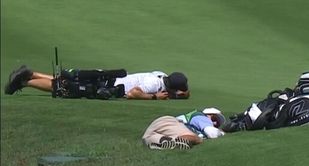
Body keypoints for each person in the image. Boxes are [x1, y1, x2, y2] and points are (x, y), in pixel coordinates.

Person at [4, 65, 189, 99]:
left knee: (69, 80)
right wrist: (154, 98)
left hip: (108, 77)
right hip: (108, 86)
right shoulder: (154, 85)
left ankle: (30, 73)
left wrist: (177, 94)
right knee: (65, 88)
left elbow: (181, 91)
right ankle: (25, 82)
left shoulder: (160, 75)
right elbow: (134, 94)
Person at [142, 107, 226, 150]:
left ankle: (163, 142)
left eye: (217, 124)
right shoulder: (201, 116)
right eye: (215, 119)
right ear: (209, 114)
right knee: (197, 139)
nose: (214, 123)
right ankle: (175, 142)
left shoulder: (197, 118)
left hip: (160, 127)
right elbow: (212, 133)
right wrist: (222, 133)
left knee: (149, 139)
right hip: (171, 122)